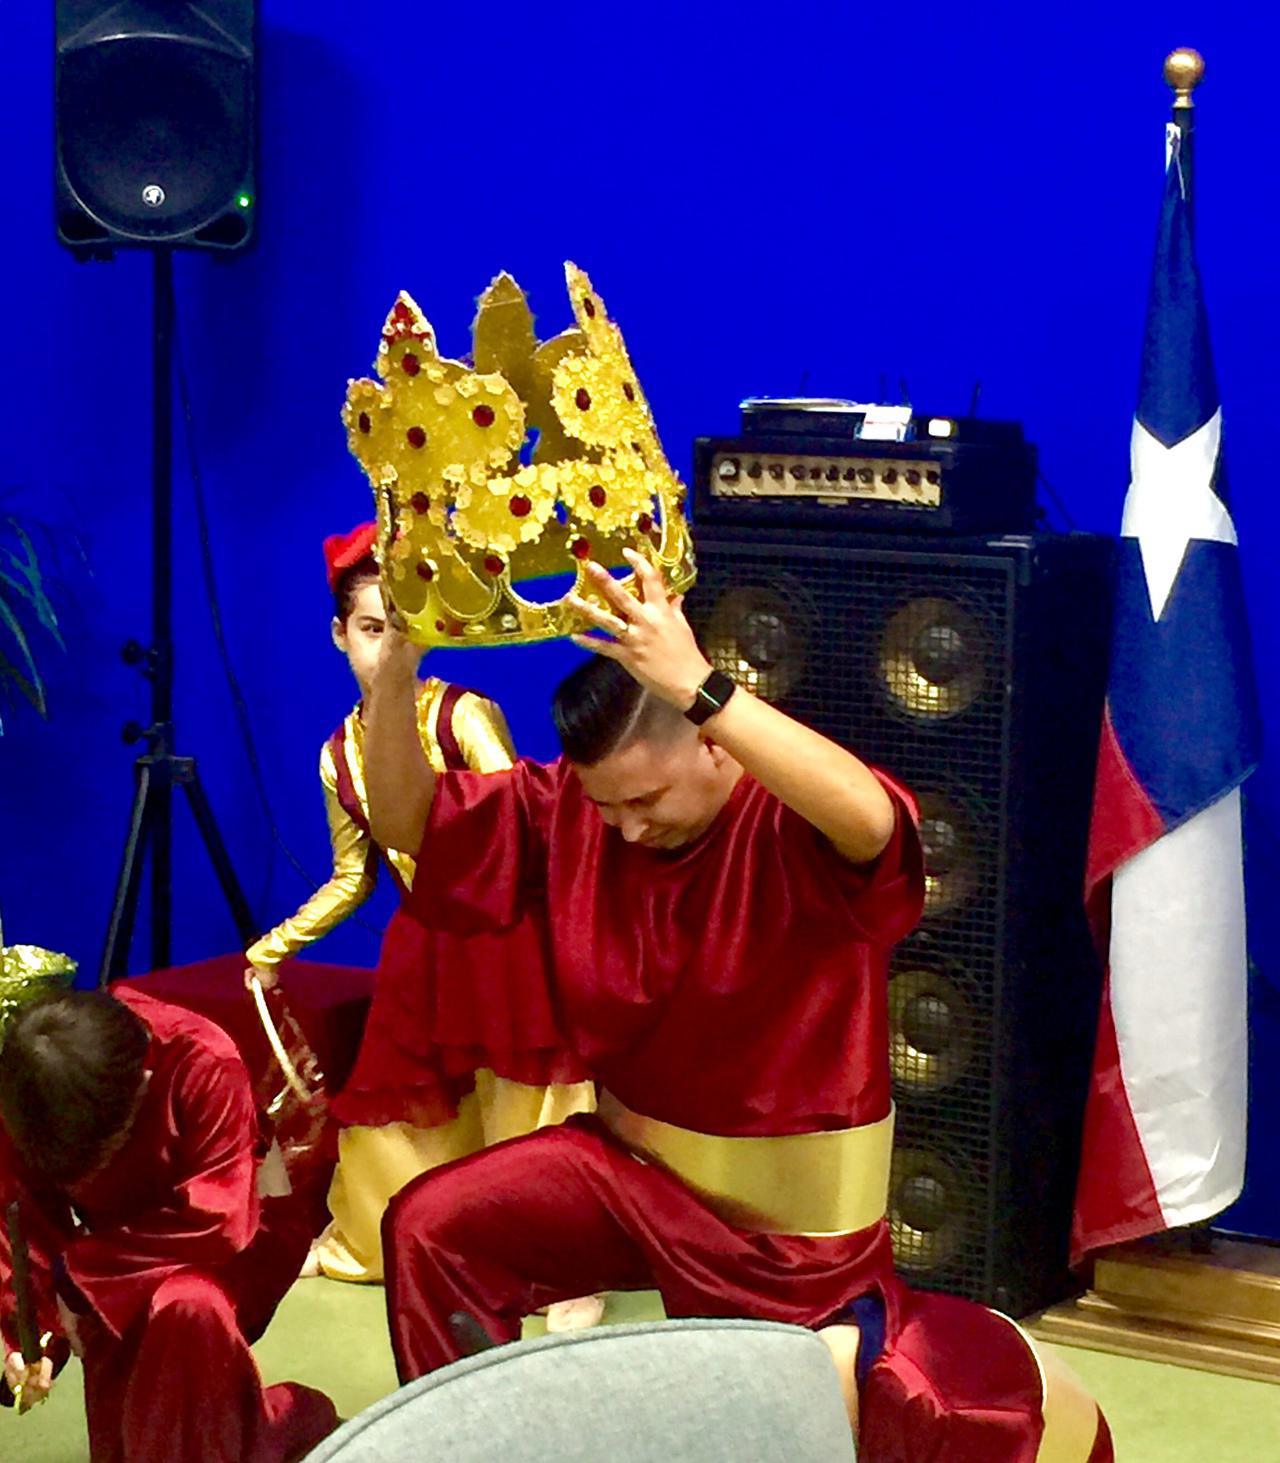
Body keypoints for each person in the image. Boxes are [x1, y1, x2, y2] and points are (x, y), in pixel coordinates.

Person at [368, 549, 1113, 1461]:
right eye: (608, 807)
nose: (626, 826)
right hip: (627, 1169)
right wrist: (395, 672)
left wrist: (701, 683)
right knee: (433, 1227)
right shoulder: (574, 810)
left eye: (645, 797)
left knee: (791, 1414)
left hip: (788, 1235)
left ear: (714, 741)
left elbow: (882, 823)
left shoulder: (787, 824)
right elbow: (410, 823)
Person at [245, 522, 594, 1288]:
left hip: (504, 937)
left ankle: (559, 1268)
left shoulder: (461, 714)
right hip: (424, 948)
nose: (384, 648)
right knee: (392, 1117)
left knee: (526, 1105)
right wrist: (273, 947)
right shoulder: (338, 754)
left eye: (398, 629)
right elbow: (352, 875)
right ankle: (372, 1239)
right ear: (340, 635)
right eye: (370, 629)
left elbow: (520, 826)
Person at [0, 987, 337, 1463]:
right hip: (117, 1248)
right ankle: (249, 1428)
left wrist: (82, 1278)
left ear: (144, 1081)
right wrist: (34, 1339)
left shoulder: (202, 1056)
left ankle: (287, 1418)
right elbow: (22, 1214)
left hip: (241, 1236)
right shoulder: (32, 1083)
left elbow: (222, 1223)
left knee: (184, 1308)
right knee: (119, 1337)